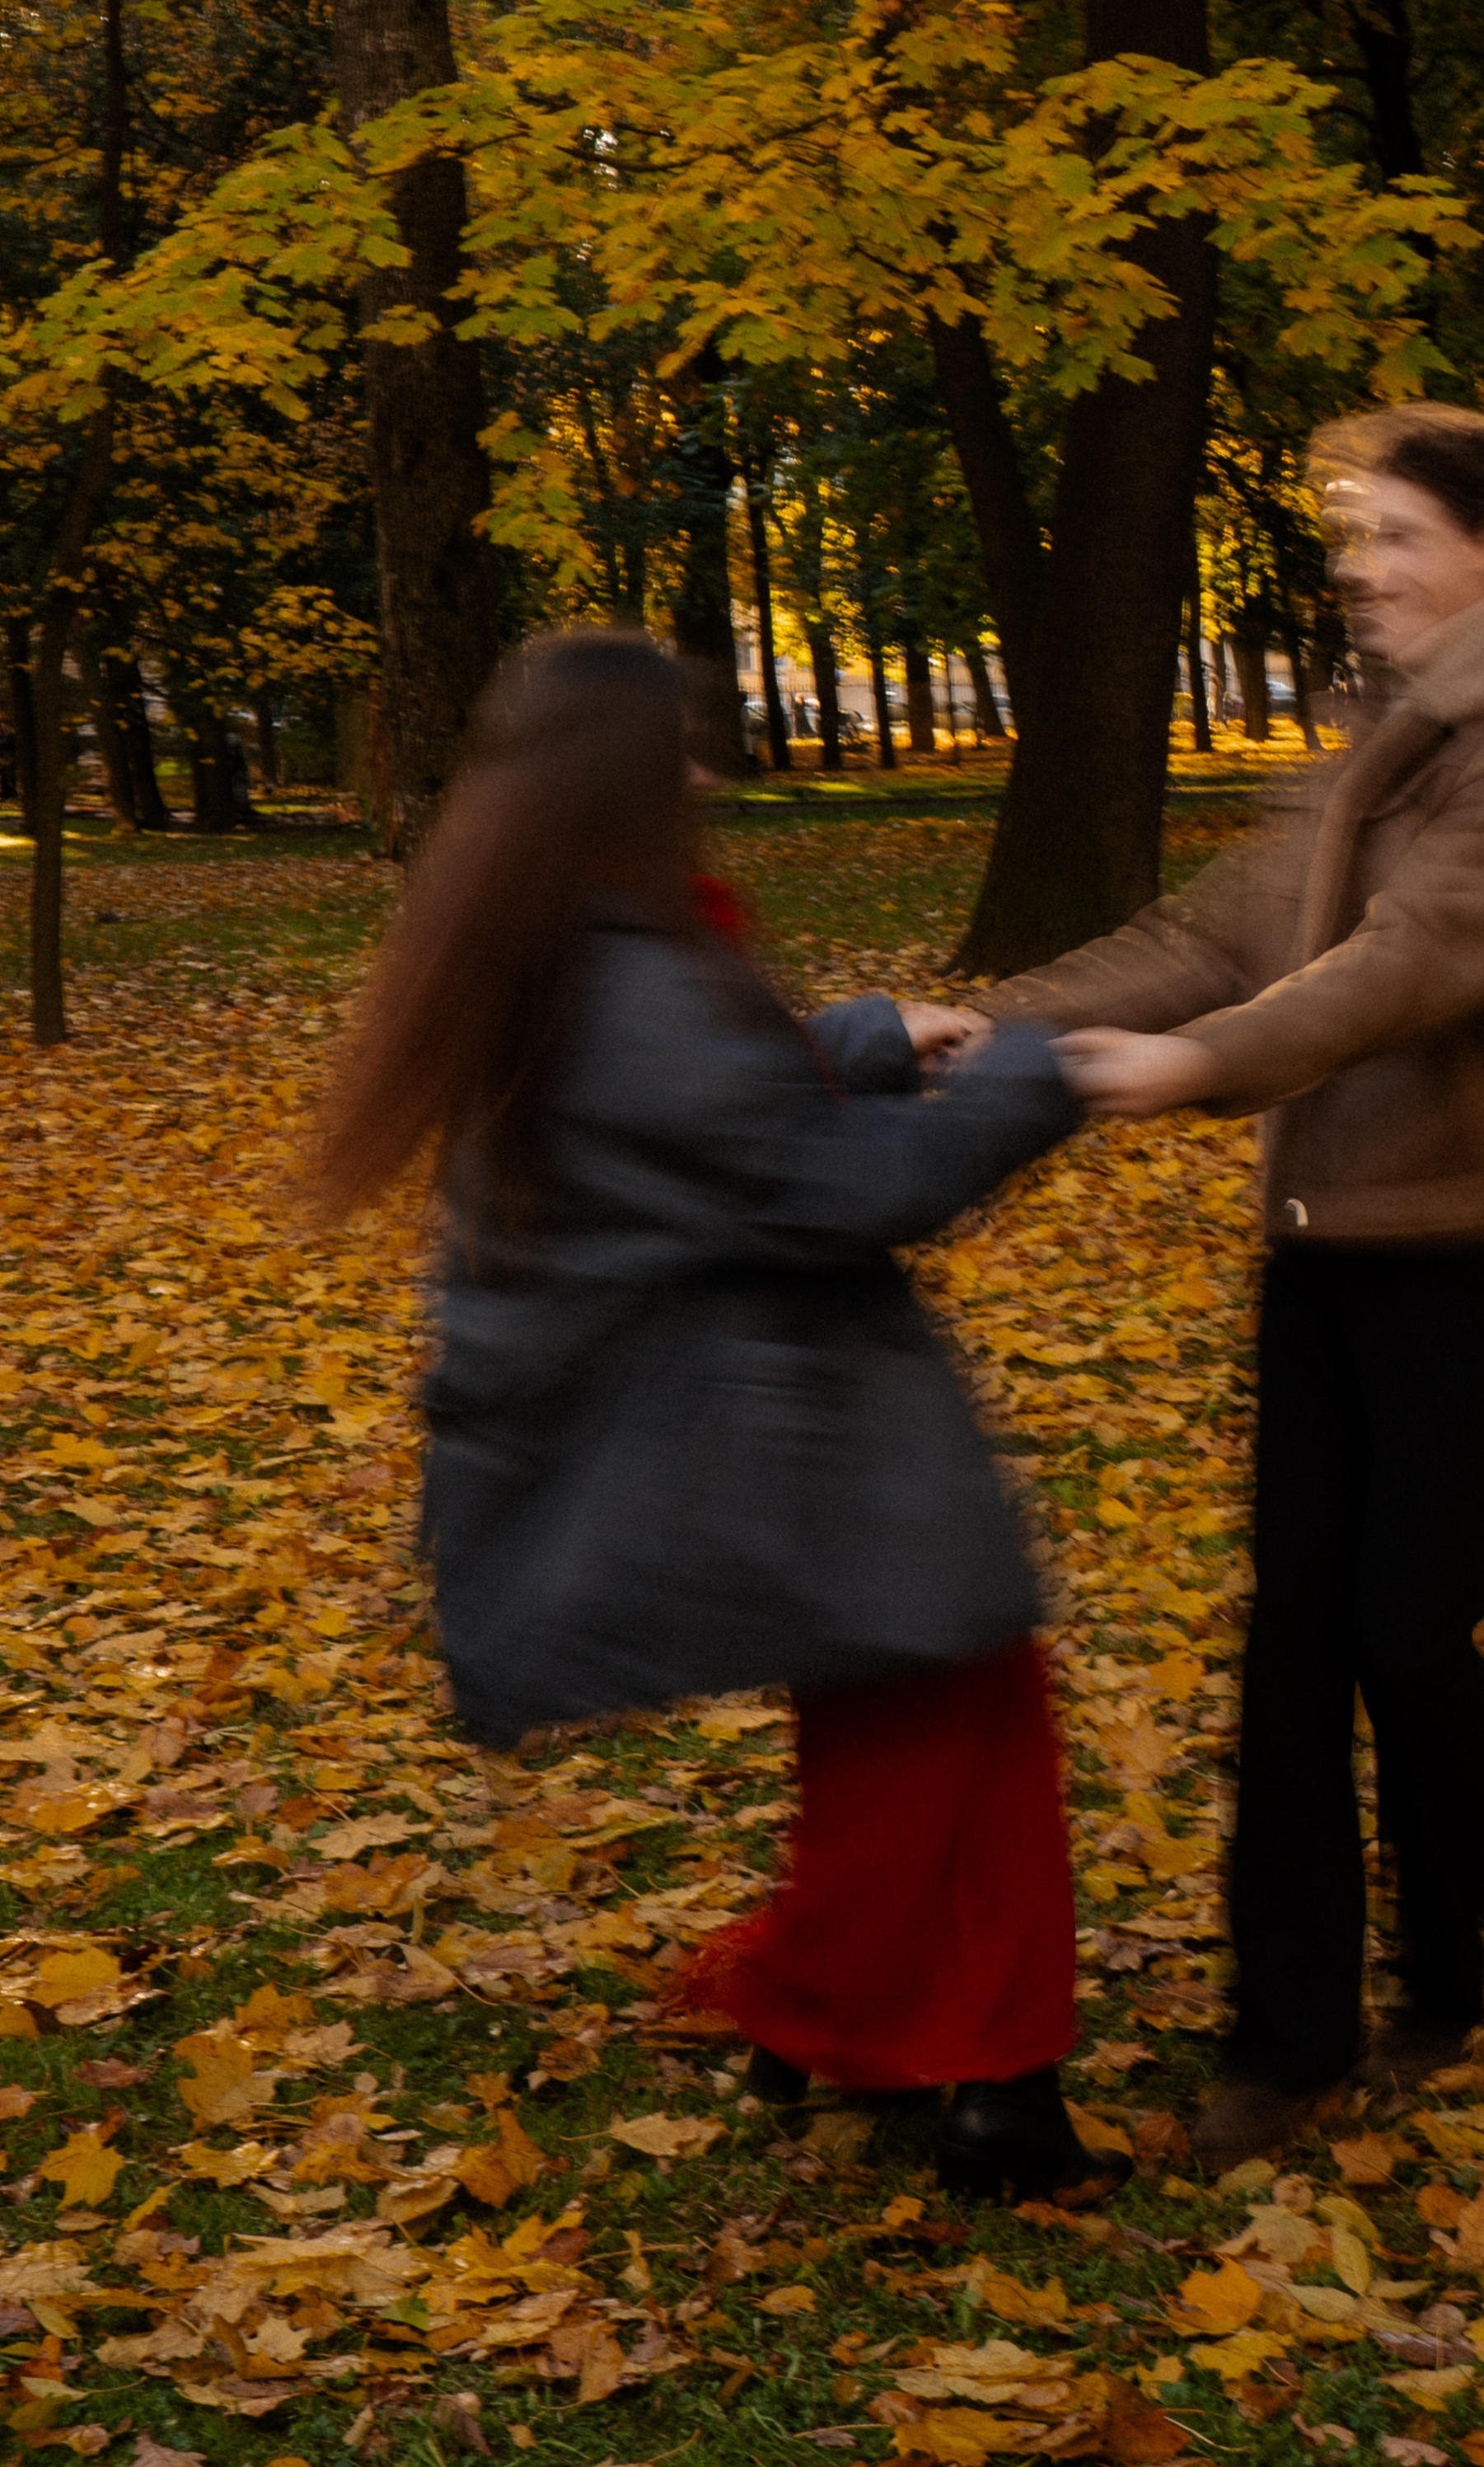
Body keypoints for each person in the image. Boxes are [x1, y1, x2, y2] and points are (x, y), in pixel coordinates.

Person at [311, 629, 1121, 2204]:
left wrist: (865, 1037)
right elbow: (830, 1185)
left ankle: (899, 2042)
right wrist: (1031, 1079)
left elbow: (710, 1112)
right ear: (621, 771)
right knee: (950, 1727)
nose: (703, 768)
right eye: (679, 744)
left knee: (924, 1721)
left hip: (757, 1413)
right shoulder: (627, 971)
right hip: (781, 1427)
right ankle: (880, 2035)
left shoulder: (570, 929)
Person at [969, 404, 1484, 2171]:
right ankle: (1286, 2040)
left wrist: (1202, 1068)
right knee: (1292, 1643)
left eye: (1395, 534)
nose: (1358, 567)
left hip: (1473, 1254)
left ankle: (1441, 1983)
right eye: (1349, 537)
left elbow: (1405, 967)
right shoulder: (1370, 744)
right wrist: (998, 1020)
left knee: (1405, 1633)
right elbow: (1211, 936)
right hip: (1323, 1249)